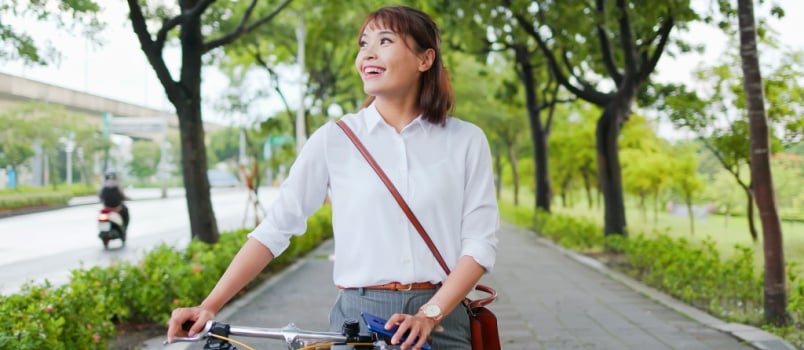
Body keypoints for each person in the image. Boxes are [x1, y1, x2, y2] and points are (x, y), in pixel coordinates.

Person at [166, 5, 499, 349]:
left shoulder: (465, 140)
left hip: (442, 321)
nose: (367, 53)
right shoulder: (335, 139)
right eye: (363, 43)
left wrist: (430, 313)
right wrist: (209, 305)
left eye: (385, 41)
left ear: (424, 59)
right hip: (359, 321)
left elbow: (479, 242)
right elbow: (276, 228)